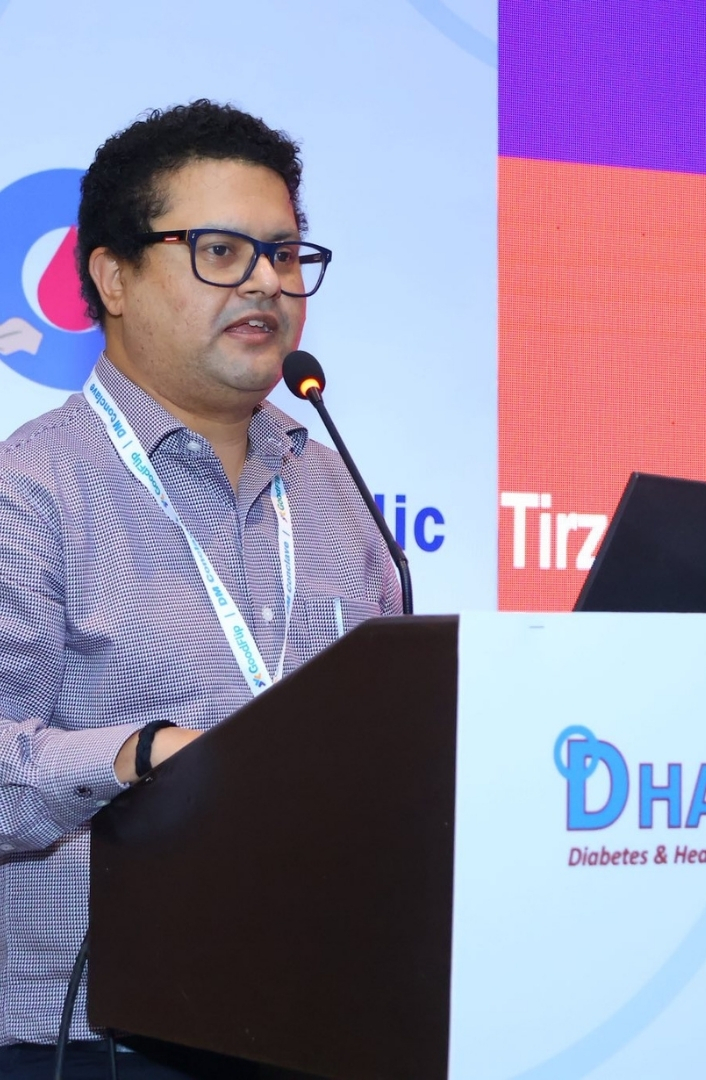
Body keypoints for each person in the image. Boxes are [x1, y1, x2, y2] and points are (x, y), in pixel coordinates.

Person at [0, 101, 402, 1077]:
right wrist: (140, 754)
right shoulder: (30, 491)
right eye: (221, 251)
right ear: (113, 277)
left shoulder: (338, 491)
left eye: (285, 254)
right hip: (94, 1043)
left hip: (325, 1020)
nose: (266, 281)